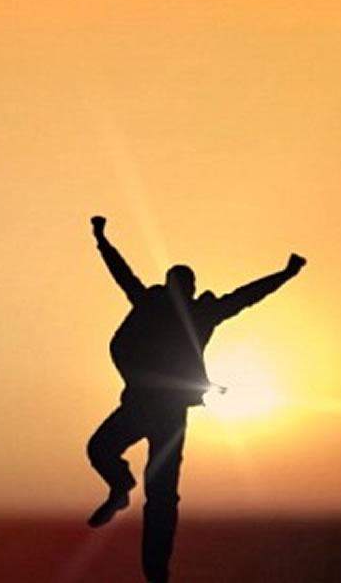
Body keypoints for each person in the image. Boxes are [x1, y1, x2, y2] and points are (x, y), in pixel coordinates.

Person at [85, 214, 306, 583]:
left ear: (190, 290)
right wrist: (101, 239)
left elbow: (246, 296)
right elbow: (122, 274)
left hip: (170, 414)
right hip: (138, 404)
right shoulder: (149, 303)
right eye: (177, 284)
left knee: (161, 496)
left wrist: (285, 274)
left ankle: (156, 573)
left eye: (185, 286)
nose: (181, 291)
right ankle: (120, 487)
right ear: (169, 285)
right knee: (99, 449)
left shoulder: (202, 314)